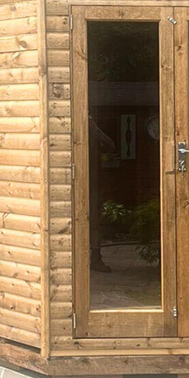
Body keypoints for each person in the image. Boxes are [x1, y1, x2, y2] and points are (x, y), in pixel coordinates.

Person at [89, 114, 116, 273]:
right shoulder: (91, 127)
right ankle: (95, 258)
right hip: (92, 181)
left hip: (91, 181)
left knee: (93, 220)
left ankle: (94, 258)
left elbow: (109, 145)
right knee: (94, 221)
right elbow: (110, 144)